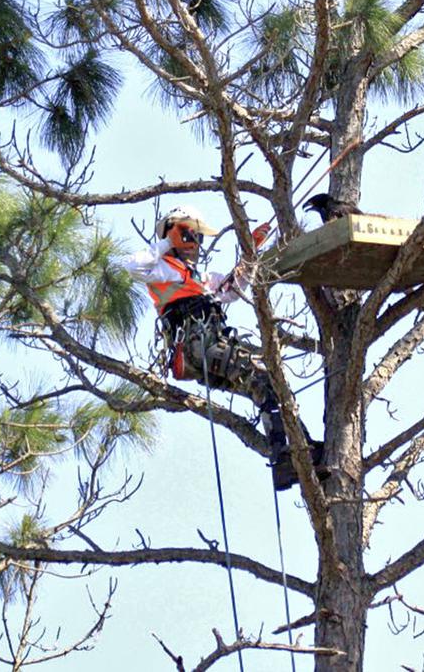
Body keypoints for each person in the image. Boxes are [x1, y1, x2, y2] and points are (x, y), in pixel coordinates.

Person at [122, 206, 321, 490]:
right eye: (190, 234)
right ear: (173, 232)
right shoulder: (163, 268)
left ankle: (299, 452)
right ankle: (285, 455)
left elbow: (232, 288)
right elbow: (131, 266)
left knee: (268, 386)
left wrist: (251, 251)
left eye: (197, 237)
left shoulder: (198, 277)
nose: (195, 243)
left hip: (211, 350)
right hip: (199, 349)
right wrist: (169, 241)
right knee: (266, 379)